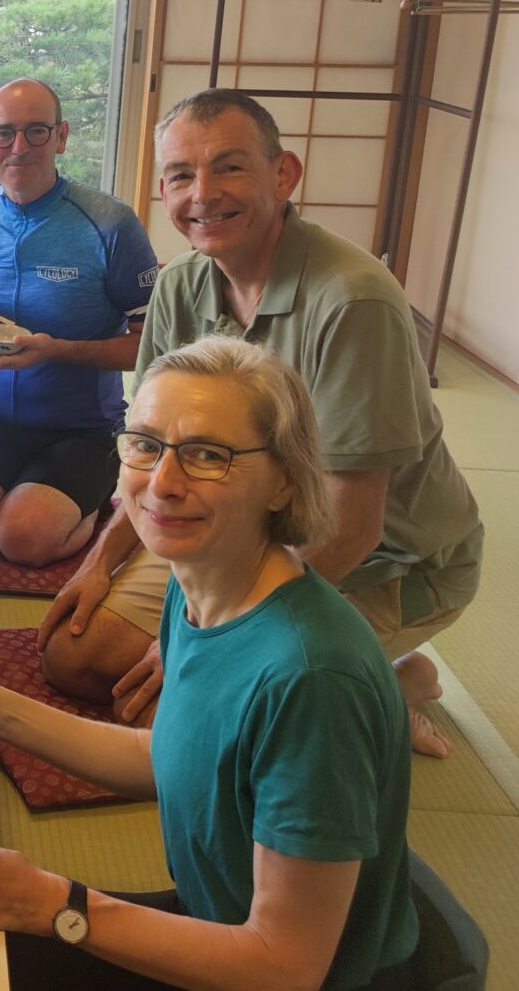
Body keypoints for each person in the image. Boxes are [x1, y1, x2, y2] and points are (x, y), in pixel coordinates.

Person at [0, 336, 421, 991]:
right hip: (214, 924)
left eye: (209, 455)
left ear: (285, 477)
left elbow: (286, 966)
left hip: (271, 969)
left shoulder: (312, 679)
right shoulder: (197, 581)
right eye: (144, 444)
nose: (164, 483)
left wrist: (51, 902)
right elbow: (173, 757)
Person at [37, 89, 483, 757]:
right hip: (235, 523)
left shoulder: (352, 301)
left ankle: (383, 690)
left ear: (285, 175)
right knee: (73, 655)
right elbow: (149, 453)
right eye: (182, 175)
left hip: (386, 560)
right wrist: (98, 562)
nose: (204, 193)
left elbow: (354, 525)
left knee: (187, 727)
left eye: (231, 167)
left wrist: (208, 638)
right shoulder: (181, 286)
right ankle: (359, 677)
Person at [0, 78, 160, 565]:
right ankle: (26, 489)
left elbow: (151, 346)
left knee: (21, 538)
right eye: (4, 133)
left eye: (36, 131)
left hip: (82, 430)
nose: (20, 147)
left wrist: (59, 350)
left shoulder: (110, 223)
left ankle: (90, 502)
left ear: (61, 137)